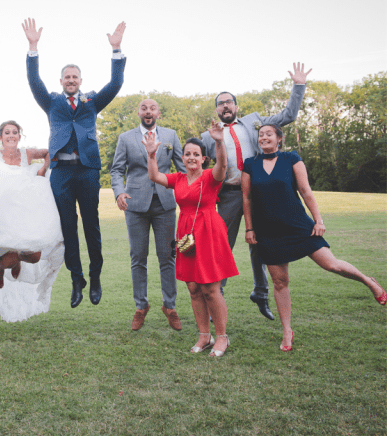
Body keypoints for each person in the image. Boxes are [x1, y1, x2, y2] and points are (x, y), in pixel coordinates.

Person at [242, 125, 387, 351]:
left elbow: (305, 190)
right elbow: (247, 198)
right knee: (280, 282)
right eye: (260, 135)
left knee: (332, 264)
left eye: (269, 134)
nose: (264, 137)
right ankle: (287, 332)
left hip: (298, 226)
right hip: (268, 231)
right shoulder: (250, 164)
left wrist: (318, 220)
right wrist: (249, 229)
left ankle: (369, 281)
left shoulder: (291, 158)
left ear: (279, 139)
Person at [23, 17, 126, 308]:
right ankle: (76, 280)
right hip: (61, 173)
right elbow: (34, 81)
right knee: (68, 227)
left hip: (87, 171)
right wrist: (33, 47)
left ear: (80, 80)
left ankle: (95, 278)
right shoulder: (52, 102)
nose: (70, 80)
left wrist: (116, 50)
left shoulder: (92, 102)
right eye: (66, 77)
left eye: (75, 77)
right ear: (61, 82)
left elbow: (116, 83)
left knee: (91, 226)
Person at [200, 63, 311, 321]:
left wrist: (298, 86)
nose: (225, 106)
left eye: (229, 102)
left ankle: (260, 293)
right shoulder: (209, 136)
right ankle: (218, 293)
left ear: (236, 107)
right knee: (223, 245)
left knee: (260, 244)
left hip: (257, 193)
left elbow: (287, 116)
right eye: (220, 103)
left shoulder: (254, 122)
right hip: (228, 196)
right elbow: (194, 164)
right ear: (216, 110)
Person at [144, 123, 239, 357]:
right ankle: (204, 335)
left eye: (196, 154)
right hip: (187, 233)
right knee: (194, 287)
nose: (191, 157)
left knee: (210, 288)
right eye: (187, 154)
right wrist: (151, 154)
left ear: (203, 158)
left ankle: (222, 337)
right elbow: (154, 175)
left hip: (209, 232)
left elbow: (223, 165)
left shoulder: (210, 176)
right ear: (183, 157)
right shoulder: (177, 178)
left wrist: (218, 142)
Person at [0, 120, 65, 324]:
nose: (11, 136)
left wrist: (43, 170)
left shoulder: (26, 154)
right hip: (3, 215)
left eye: (15, 132)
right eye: (7, 133)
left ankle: (13, 260)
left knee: (35, 256)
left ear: (19, 136)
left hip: (25, 212)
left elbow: (49, 153)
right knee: (9, 252)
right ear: (0, 137)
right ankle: (1, 267)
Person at [111, 99, 185, 331]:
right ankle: (141, 306)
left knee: (168, 257)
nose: (148, 112)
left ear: (158, 113)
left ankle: (169, 306)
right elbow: (116, 170)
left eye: (152, 108)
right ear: (139, 113)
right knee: (138, 258)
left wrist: (191, 194)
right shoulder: (126, 138)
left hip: (165, 204)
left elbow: (182, 169)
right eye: (144, 108)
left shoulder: (171, 136)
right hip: (135, 205)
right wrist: (119, 192)